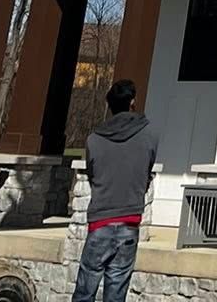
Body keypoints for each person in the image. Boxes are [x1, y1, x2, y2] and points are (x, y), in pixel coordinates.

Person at [71, 78, 159, 302]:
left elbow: (93, 176)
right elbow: (146, 171)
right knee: (117, 290)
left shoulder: (94, 140)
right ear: (133, 102)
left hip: (101, 220)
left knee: (85, 290)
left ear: (109, 105)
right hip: (129, 221)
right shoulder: (149, 135)